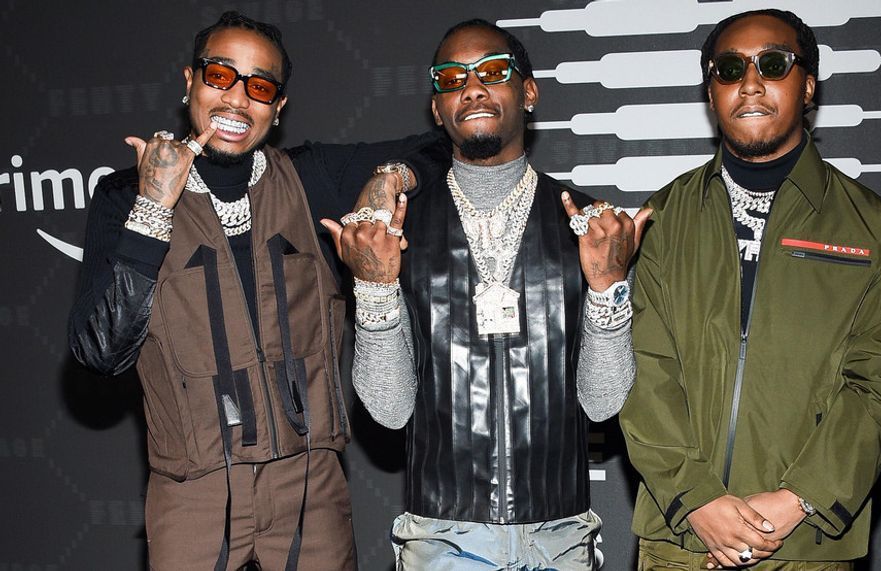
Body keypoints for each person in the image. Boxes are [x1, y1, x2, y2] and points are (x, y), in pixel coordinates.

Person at [67, 11, 437, 570]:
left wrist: (389, 178)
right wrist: (153, 210)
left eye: (259, 86)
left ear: (278, 106)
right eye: (220, 76)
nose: (238, 100)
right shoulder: (125, 198)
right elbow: (99, 352)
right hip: (192, 495)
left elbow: (441, 150)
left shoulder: (311, 178)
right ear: (189, 81)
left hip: (311, 493)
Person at [321, 19, 651, 570]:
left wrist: (606, 290)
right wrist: (374, 287)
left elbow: (603, 401)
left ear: (528, 92)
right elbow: (389, 410)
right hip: (440, 538)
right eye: (451, 78)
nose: (471, 88)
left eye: (493, 72)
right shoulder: (399, 232)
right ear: (436, 108)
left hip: (560, 535)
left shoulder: (591, 226)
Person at [620, 9, 881, 570]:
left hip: (807, 542)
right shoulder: (661, 218)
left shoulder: (878, 230)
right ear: (711, 92)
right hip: (682, 540)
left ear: (808, 85)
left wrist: (798, 500)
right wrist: (700, 501)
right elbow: (642, 369)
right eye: (731, 68)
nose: (752, 83)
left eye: (774, 64)